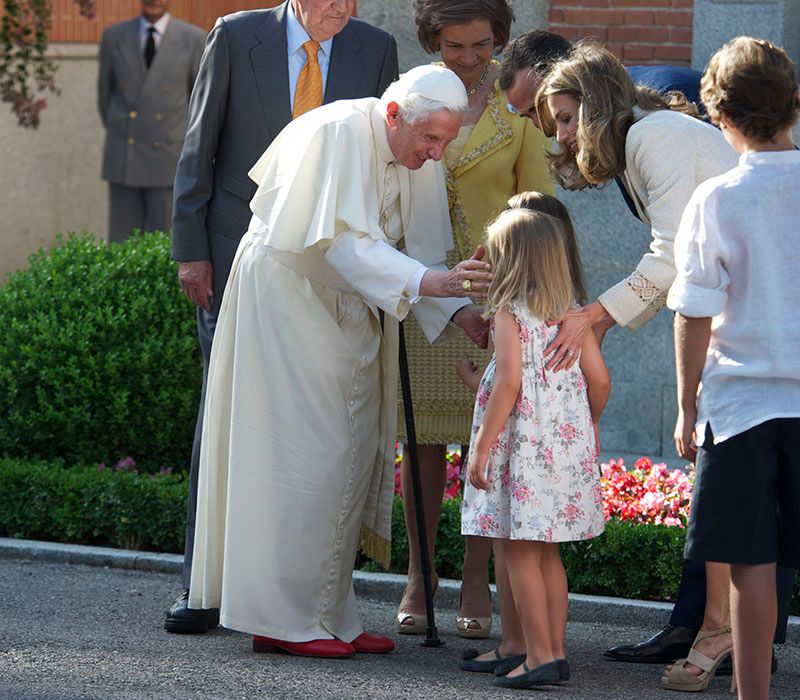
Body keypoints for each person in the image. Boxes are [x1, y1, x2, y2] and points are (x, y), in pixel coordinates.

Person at [187, 65, 494, 660]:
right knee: (305, 455)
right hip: (289, 302)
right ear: (394, 114)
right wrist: (430, 282)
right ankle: (281, 618)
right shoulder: (334, 132)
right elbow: (339, 244)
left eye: (445, 142)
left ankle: (329, 613)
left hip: (355, 306)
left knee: (350, 458)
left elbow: (426, 250)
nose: (435, 155)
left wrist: (462, 314)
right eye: (429, 139)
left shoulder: (417, 153)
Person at [165, 0, 398, 634]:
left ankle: (300, 600)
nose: (342, 8)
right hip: (236, 259)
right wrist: (191, 251)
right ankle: (202, 586)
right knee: (225, 413)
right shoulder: (236, 36)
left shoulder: (374, 49)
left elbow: (381, 166)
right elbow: (199, 147)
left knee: (318, 439)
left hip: (328, 276)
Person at [397, 0, 553, 640]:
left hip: (498, 289)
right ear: (434, 41)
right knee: (423, 441)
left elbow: (539, 206)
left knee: (489, 439)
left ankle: (474, 577)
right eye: (454, 46)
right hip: (426, 286)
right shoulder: (410, 95)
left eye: (481, 45)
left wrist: (527, 288)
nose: (467, 58)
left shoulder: (519, 111)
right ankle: (418, 576)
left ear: (500, 40)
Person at [666, 37, 800, 699]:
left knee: (750, 562)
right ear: (794, 104)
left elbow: (693, 312)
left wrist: (687, 403)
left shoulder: (716, 198)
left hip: (741, 402)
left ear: (717, 113)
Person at [460, 207, 609, 689]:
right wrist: (587, 426)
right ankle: (555, 651)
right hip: (562, 450)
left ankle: (538, 654)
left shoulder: (510, 313)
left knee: (518, 551)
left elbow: (508, 383)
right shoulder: (571, 315)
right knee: (547, 556)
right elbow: (600, 380)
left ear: (511, 263)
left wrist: (481, 448)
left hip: (521, 451)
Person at [98, 0, 205, 243]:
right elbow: (105, 98)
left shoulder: (193, 38)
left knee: (165, 246)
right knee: (121, 247)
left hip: (168, 159)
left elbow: (198, 104)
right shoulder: (113, 36)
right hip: (126, 155)